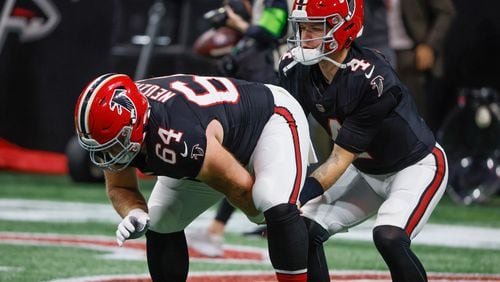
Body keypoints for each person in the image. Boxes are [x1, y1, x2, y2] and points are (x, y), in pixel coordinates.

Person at [74, 73, 315, 281]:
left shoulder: (177, 136)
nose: (108, 156)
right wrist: (134, 212)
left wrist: (274, 222)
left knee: (273, 203)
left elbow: (238, 186)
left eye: (113, 145)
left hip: (269, 120)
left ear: (136, 124)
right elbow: (119, 187)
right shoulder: (123, 122)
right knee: (160, 222)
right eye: (101, 148)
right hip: (210, 144)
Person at [278, 0, 449, 281]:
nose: (305, 37)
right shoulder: (296, 68)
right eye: (302, 27)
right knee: (301, 231)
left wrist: (295, 196)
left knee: (389, 237)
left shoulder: (373, 77)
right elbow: (287, 131)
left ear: (344, 27)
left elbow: (338, 158)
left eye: (316, 28)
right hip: (364, 168)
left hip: (414, 166)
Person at [186, 0, 292, 256]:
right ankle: (221, 228)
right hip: (270, 82)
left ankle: (218, 229)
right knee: (254, 162)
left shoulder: (274, 1)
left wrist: (237, 24)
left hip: (275, 83)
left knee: (253, 160)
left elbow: (268, 33)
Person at [387, 0, 455, 128]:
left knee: (415, 122)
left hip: (410, 53)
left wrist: (429, 45)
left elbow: (446, 11)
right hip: (374, 50)